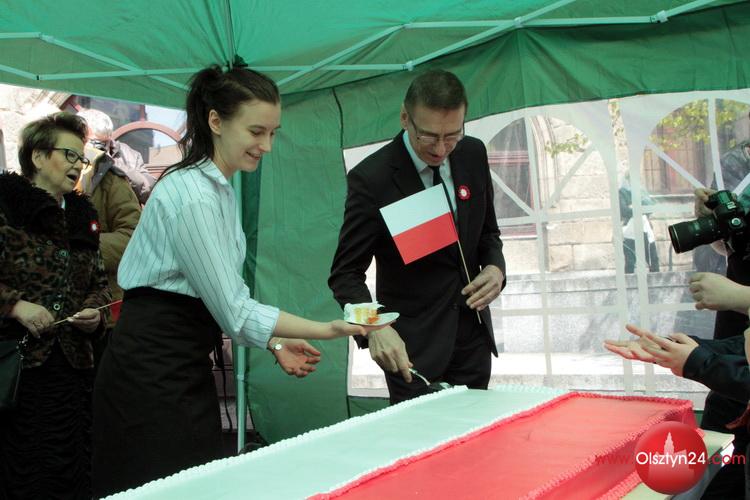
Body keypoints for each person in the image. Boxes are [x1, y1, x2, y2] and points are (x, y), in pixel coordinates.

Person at [92, 64, 367, 498]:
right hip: (150, 373)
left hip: (179, 362)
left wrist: (275, 341)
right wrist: (329, 329)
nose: (267, 146)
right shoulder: (193, 195)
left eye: (273, 133)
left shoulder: (216, 188)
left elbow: (223, 297)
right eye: (257, 131)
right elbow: (235, 311)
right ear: (215, 121)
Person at [328, 69, 506, 405]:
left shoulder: (472, 153)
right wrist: (376, 327)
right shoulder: (373, 178)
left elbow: (488, 233)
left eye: (452, 135)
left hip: (472, 341)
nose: (440, 149)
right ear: (404, 118)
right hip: (411, 352)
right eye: (428, 136)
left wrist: (496, 269)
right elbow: (345, 275)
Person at [0, 112, 111, 499]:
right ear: (38, 156)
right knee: (23, 469)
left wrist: (94, 313)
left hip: (73, 368)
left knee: (71, 467)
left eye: (82, 157)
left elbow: (99, 284)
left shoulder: (83, 216)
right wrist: (16, 306)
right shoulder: (6, 206)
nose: (79, 165)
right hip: (15, 368)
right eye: (70, 155)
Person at [691, 187, 750, 498]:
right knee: (717, 462)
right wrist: (711, 219)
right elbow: (734, 246)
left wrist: (741, 297)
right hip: (735, 355)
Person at [76, 145, 142, 363]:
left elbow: (133, 238)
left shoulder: (110, 179)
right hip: (56, 320)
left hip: (108, 311)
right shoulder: (34, 187)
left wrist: (79, 248)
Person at [77, 108, 156, 204]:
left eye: (105, 142)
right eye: (94, 142)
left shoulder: (129, 154)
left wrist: (113, 164)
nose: (102, 146)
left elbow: (150, 191)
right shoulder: (72, 153)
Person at [618, 173, 659, 274]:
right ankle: (629, 281)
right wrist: (639, 208)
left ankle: (655, 277)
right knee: (630, 260)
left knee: (652, 257)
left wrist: (634, 207)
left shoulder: (642, 191)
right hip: (629, 228)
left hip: (644, 226)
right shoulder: (622, 192)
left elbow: (650, 206)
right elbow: (624, 210)